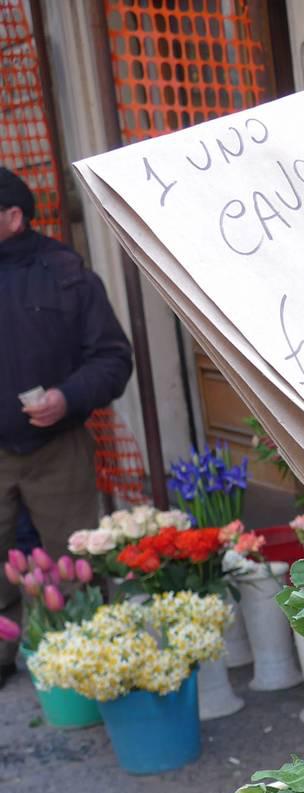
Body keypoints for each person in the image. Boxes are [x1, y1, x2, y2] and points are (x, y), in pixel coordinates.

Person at [0, 167, 133, 686]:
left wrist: (68, 396)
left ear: (13, 217)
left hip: (57, 447)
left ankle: (86, 667)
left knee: (76, 563)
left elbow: (112, 358)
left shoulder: (65, 272)